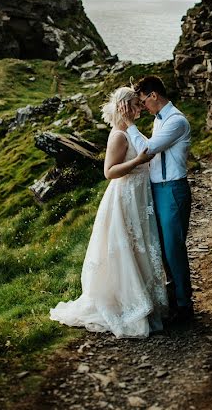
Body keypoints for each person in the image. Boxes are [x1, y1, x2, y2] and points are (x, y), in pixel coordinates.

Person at [49, 87, 168, 338]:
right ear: (124, 107)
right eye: (135, 105)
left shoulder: (130, 132)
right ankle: (129, 303)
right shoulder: (118, 136)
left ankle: (148, 300)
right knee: (128, 246)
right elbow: (109, 171)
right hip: (125, 197)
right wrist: (138, 162)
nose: (140, 108)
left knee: (141, 245)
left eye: (139, 103)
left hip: (139, 196)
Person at [122, 76, 194, 324]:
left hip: (172, 189)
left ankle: (185, 306)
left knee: (174, 249)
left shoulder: (176, 121)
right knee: (162, 247)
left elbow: (147, 151)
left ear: (154, 95)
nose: (143, 106)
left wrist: (129, 124)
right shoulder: (159, 120)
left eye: (143, 101)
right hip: (158, 189)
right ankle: (173, 301)